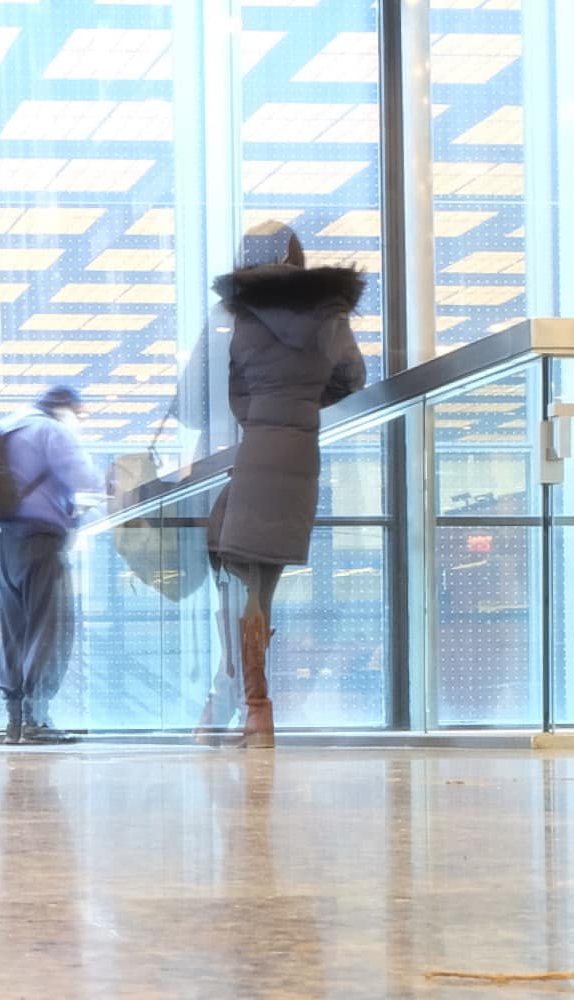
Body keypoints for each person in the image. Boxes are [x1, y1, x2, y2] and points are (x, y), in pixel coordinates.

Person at [197, 222, 367, 748]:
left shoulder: (238, 318)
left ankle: (252, 709)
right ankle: (233, 707)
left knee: (243, 582)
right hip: (300, 455)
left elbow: (224, 392)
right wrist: (300, 407)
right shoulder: (330, 314)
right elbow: (352, 377)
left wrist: (264, 414)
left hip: (257, 452)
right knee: (254, 581)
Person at [0, 385, 103, 745]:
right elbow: (87, 479)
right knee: (48, 627)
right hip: (41, 539)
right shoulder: (50, 431)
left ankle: (14, 721)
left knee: (15, 630)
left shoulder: (5, 430)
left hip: (3, 538)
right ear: (64, 408)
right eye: (78, 412)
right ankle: (36, 720)